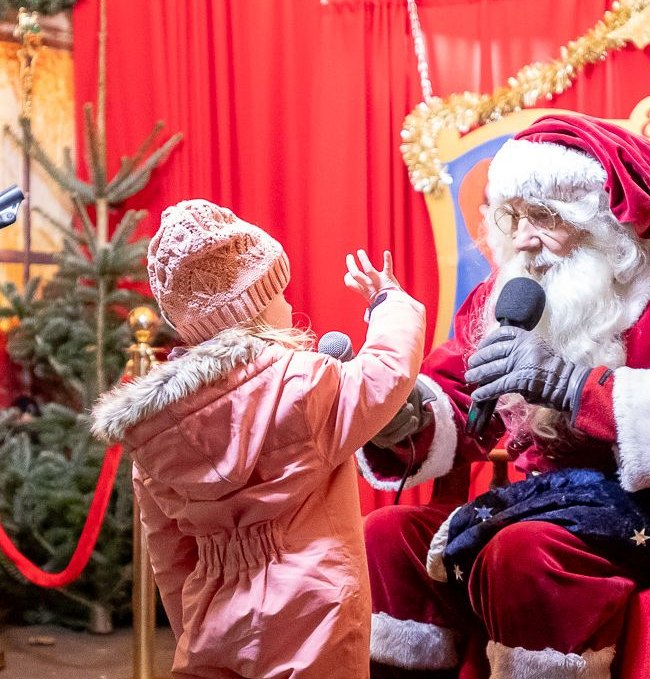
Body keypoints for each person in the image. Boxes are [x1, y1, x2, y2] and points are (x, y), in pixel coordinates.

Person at [359, 114, 650, 677]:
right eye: (513, 217)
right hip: (536, 506)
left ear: (604, 225)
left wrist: (576, 388)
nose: (523, 239)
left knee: (521, 552)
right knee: (387, 535)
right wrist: (409, 418)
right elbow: (460, 394)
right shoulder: (507, 292)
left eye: (545, 218)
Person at [90, 199, 427, 677]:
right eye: (279, 293)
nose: (290, 304)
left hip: (213, 617)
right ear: (258, 309)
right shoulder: (301, 384)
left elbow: (168, 556)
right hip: (314, 612)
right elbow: (383, 374)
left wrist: (194, 626)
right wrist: (389, 303)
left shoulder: (155, 432)